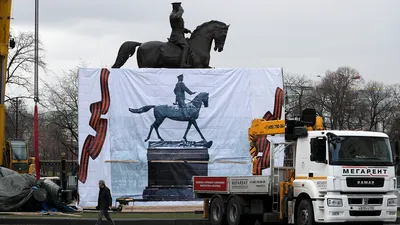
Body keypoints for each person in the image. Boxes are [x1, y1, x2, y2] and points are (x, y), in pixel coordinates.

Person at [168, 2, 192, 68]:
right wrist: (181, 11)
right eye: (179, 6)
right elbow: (178, 17)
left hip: (180, 34)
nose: (180, 7)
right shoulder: (172, 15)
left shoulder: (175, 15)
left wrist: (185, 30)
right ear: (176, 7)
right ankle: (183, 63)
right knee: (186, 46)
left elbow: (178, 27)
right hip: (176, 36)